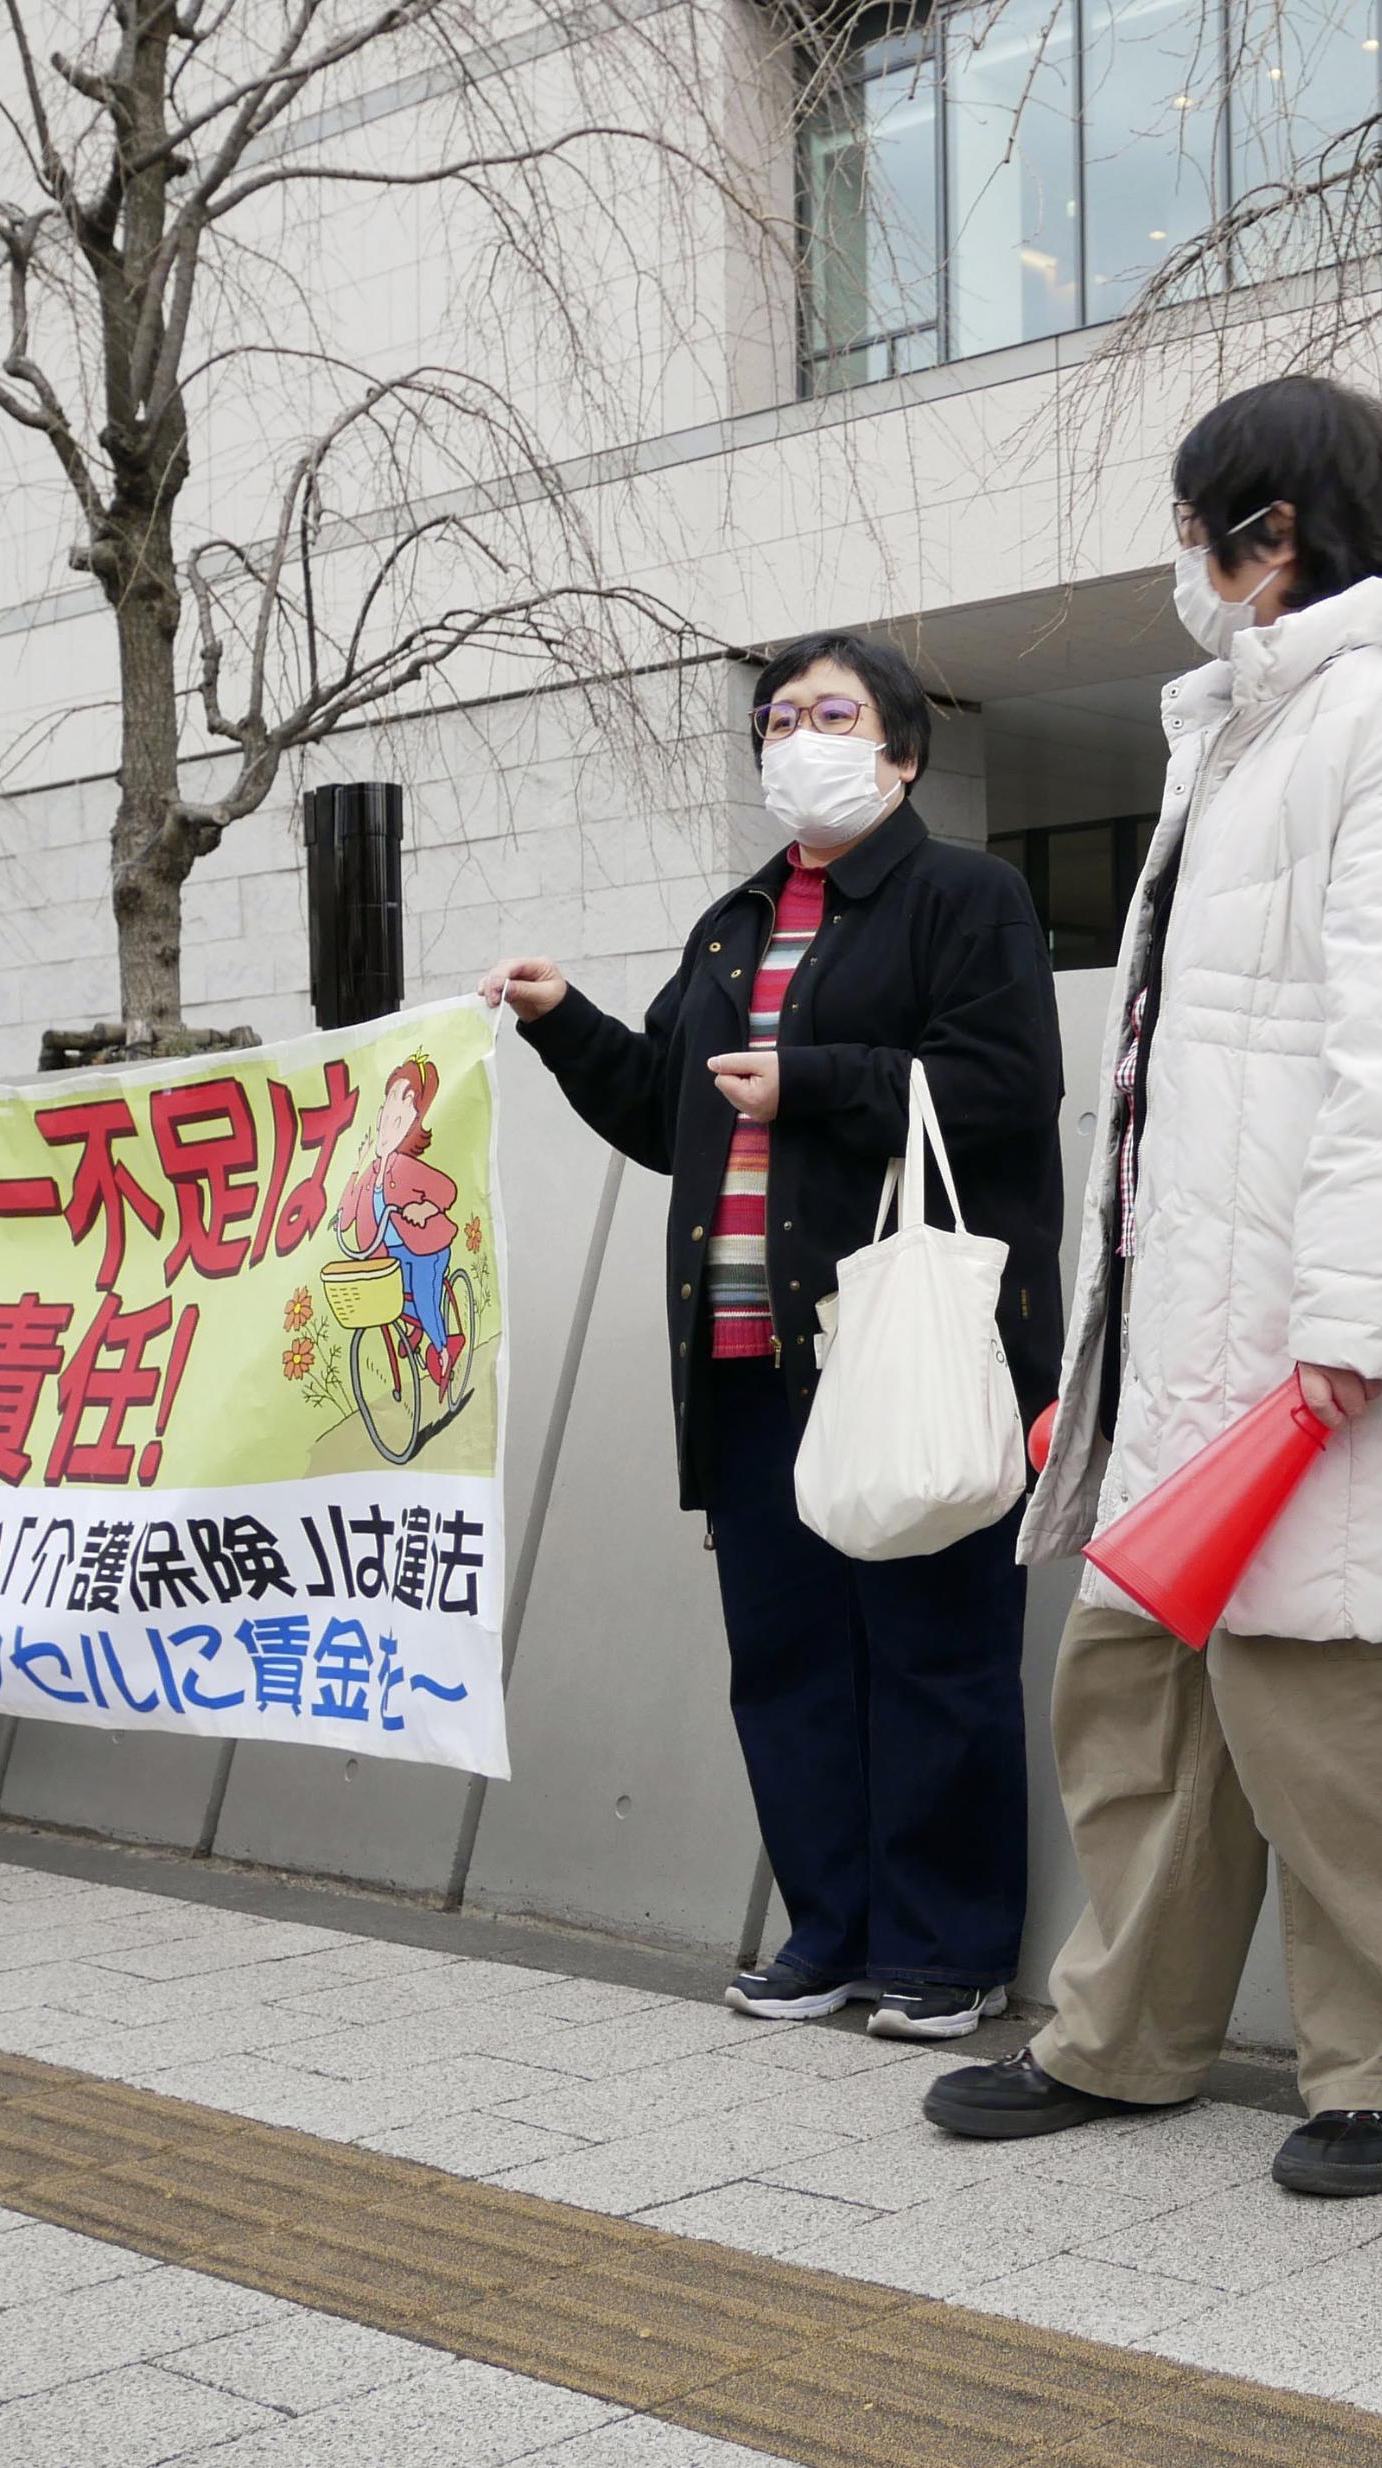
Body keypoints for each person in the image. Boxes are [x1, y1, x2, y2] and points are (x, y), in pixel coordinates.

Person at [925, 376, 1382, 2198]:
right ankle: (1122, 2028)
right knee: (1133, 1678)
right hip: (1206, 1325)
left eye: (1190, 526)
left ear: (1270, 534)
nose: (1180, 565)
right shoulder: (1253, 722)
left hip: (1315, 1329)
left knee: (1326, 1700)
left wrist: (1353, 1326)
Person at [481, 630, 1061, 2043]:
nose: (799, 734)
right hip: (748, 1360)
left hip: (903, 1349)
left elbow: (1002, 1084)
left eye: (833, 712)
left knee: (935, 1648)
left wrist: (815, 1081)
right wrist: (566, 1028)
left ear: (903, 750)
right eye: (778, 717)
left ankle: (948, 1947)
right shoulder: (732, 920)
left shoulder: (964, 895)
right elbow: (666, 1111)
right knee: (790, 1658)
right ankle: (832, 1929)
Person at [330, 1054, 465, 1389]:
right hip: (388, 1256)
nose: (387, 1128)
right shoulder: (373, 1172)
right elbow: (346, 1211)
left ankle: (443, 1348)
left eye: (398, 1121)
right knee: (392, 1299)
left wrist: (426, 1208)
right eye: (385, 1117)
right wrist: (357, 1164)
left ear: (412, 1126)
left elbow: (446, 1190)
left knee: (422, 1293)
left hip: (426, 1249)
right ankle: (419, 1328)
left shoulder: (407, 1168)